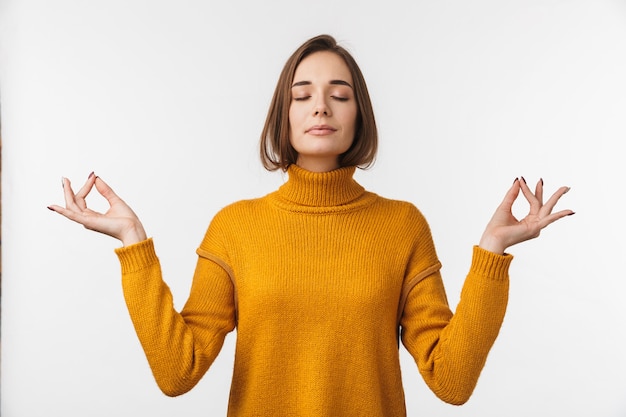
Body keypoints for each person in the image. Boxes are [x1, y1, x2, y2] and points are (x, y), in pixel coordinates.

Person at [48, 34, 573, 416]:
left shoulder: (402, 225)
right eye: (302, 95)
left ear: (358, 114)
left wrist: (492, 254)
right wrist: (133, 244)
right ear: (284, 114)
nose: (320, 106)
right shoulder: (235, 227)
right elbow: (177, 371)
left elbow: (452, 380)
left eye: (339, 94)